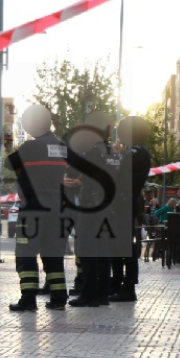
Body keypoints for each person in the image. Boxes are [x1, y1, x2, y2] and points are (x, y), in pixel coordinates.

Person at [5, 104, 70, 311]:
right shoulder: (62, 147)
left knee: (26, 253)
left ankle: (29, 299)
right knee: (53, 253)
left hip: (33, 209)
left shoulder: (30, 148)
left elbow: (9, 164)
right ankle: (59, 297)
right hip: (57, 209)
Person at [62, 111, 118, 308]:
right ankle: (102, 295)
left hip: (91, 206)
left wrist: (75, 179)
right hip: (109, 207)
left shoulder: (93, 152)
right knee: (103, 251)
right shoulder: (114, 153)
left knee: (87, 250)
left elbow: (73, 173)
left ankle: (88, 295)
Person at [109, 116, 153, 303]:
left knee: (124, 246)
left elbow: (119, 174)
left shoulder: (136, 153)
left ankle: (126, 286)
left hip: (125, 203)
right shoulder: (139, 152)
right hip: (128, 202)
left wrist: (117, 155)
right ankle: (120, 283)